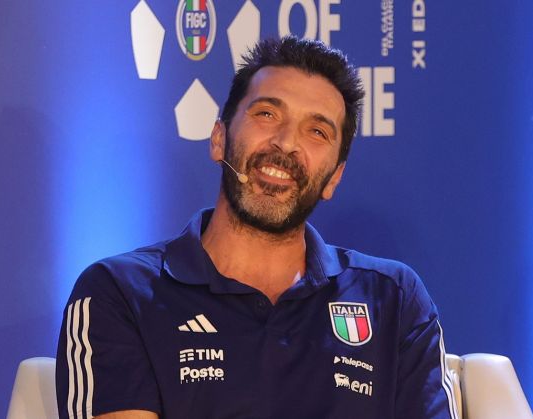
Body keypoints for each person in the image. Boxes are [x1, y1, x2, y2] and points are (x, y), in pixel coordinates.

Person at [56, 36, 458, 419]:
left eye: (317, 131)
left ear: (334, 177)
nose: (286, 143)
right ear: (219, 138)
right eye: (267, 114)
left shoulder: (393, 298)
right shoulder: (120, 291)